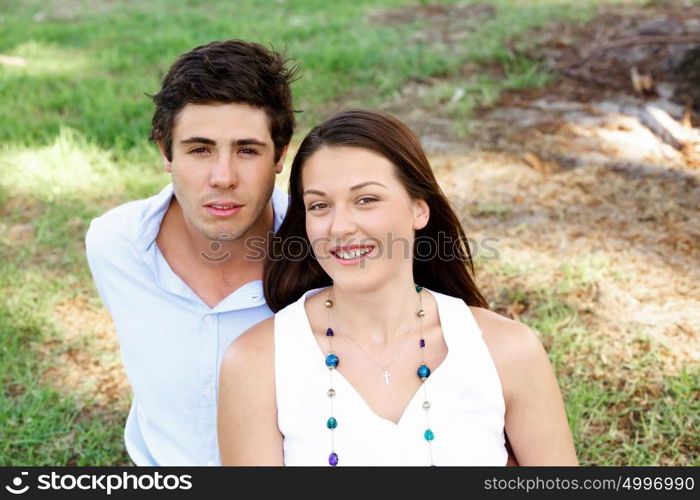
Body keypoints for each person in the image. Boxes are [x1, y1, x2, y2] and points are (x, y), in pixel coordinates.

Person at [217, 109, 578, 466]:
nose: (339, 227)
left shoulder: (507, 351)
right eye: (320, 205)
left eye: (366, 200)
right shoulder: (257, 363)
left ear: (419, 210)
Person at [85, 39, 298, 465]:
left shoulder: (325, 252)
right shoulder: (116, 246)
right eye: (199, 149)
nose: (223, 177)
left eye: (247, 150)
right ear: (166, 151)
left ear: (280, 155)